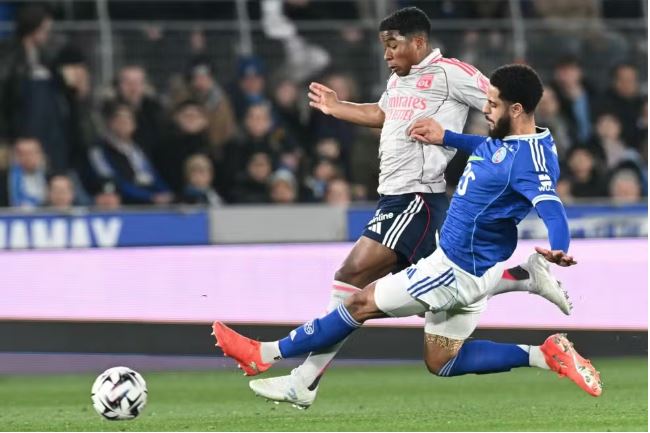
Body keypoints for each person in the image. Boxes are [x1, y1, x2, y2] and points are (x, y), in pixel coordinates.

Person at [213, 7, 571, 408]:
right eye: (383, 45)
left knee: (354, 278)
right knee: (439, 345)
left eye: (393, 45)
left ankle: (288, 368)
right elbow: (383, 114)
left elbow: (501, 105)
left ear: (418, 42)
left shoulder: (452, 74)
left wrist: (505, 139)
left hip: (417, 197)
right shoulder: (400, 80)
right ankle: (522, 279)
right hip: (396, 197)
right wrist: (338, 107)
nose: (387, 54)